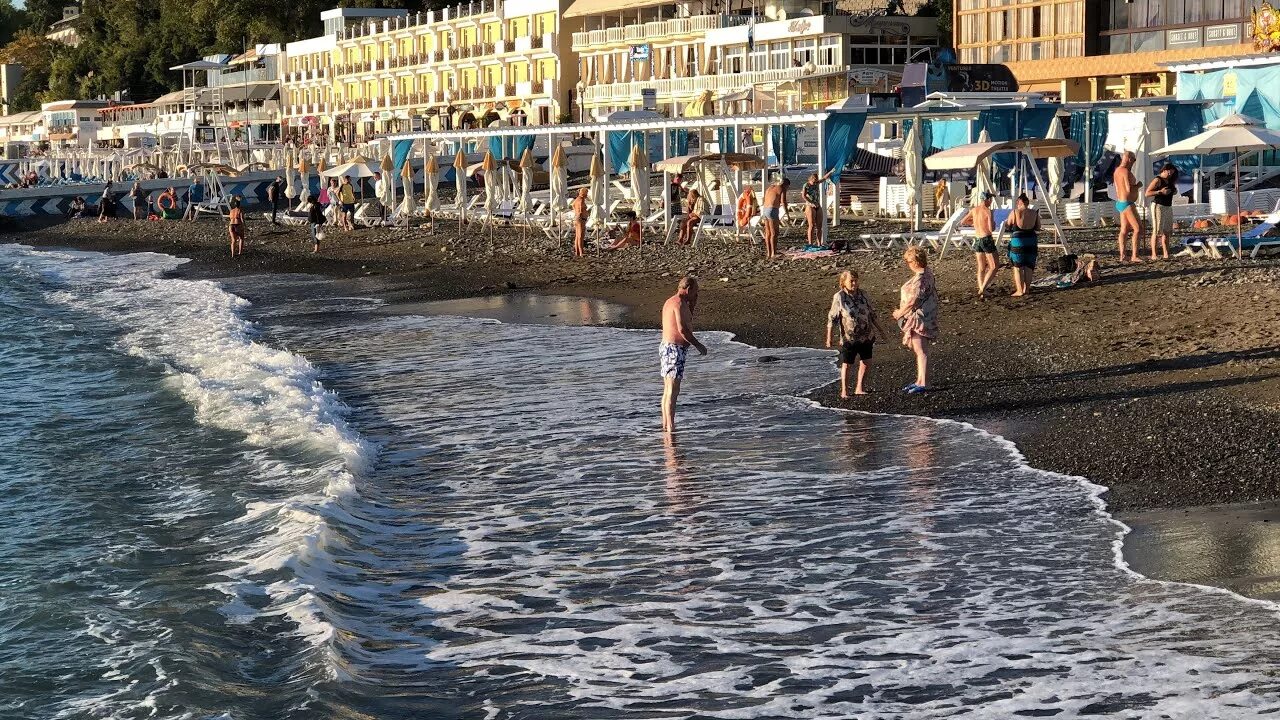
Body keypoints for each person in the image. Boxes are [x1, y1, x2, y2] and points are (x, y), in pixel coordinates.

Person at [825, 269, 887, 398]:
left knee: (866, 361)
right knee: (847, 364)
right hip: (849, 337)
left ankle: (859, 387)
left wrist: (881, 331)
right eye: (851, 281)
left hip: (866, 335)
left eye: (856, 280)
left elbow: (872, 314)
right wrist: (829, 337)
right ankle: (845, 391)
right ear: (843, 282)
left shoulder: (863, 295)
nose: (854, 283)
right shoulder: (840, 296)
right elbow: (832, 317)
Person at [660, 276, 708, 434]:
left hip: (668, 347)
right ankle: (671, 427)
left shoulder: (671, 301)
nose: (696, 294)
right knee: (672, 390)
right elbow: (682, 329)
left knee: (668, 389)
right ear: (688, 290)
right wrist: (698, 345)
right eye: (696, 291)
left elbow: (687, 320)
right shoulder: (678, 303)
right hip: (674, 349)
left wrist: (692, 303)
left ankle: (666, 424)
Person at [892, 246, 939, 394]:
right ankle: (920, 380)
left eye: (909, 261)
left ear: (916, 261)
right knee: (919, 350)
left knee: (921, 351)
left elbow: (913, 301)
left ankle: (924, 382)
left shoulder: (921, 279)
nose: (908, 264)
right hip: (924, 315)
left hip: (919, 318)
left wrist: (899, 313)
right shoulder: (927, 273)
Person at [1003, 193, 1040, 297]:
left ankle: (1019, 291)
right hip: (1031, 240)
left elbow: (1008, 224)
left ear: (1019, 202)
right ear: (1028, 203)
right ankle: (1026, 289)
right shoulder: (1034, 213)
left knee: (1018, 266)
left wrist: (1007, 222)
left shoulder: (1015, 212)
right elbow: (1038, 227)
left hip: (1018, 241)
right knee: (1029, 266)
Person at [963, 191, 998, 297]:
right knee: (994, 266)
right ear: (987, 200)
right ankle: (983, 289)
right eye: (990, 199)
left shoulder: (974, 210)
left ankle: (982, 288)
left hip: (977, 239)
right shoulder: (988, 211)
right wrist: (994, 224)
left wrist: (974, 223)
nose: (991, 201)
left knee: (981, 267)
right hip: (986, 239)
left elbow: (963, 222)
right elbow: (991, 229)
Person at [1113, 150, 1144, 263]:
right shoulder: (1125, 171)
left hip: (1120, 202)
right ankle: (1134, 255)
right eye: (1134, 160)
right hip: (1127, 203)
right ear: (1129, 159)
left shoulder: (1117, 171)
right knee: (1138, 229)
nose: (1134, 162)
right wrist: (1138, 186)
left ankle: (1122, 255)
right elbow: (1128, 189)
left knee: (1124, 230)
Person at [1145, 163, 1177, 260]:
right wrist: (1160, 192)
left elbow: (1173, 190)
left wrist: (1173, 191)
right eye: (1169, 172)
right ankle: (1154, 254)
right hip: (1158, 205)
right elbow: (1147, 193)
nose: (1170, 174)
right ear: (1164, 170)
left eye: (1172, 173)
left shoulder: (1170, 181)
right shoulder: (1157, 180)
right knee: (1157, 230)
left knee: (1167, 230)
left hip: (1168, 206)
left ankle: (1166, 253)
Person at [804, 170, 834, 248]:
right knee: (811, 225)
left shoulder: (817, 183)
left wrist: (830, 172)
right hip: (810, 206)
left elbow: (824, 178)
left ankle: (819, 243)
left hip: (818, 205)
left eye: (816, 181)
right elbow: (803, 196)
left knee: (819, 226)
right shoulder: (806, 185)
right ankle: (810, 243)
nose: (815, 183)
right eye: (813, 181)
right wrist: (811, 202)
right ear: (810, 180)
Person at [761, 177, 790, 259]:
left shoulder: (770, 188)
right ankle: (774, 253)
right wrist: (787, 214)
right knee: (774, 233)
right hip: (772, 209)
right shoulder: (782, 188)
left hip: (765, 209)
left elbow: (765, 200)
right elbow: (783, 202)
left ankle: (769, 253)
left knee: (768, 233)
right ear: (786, 185)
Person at [572, 187, 588, 257]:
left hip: (576, 218)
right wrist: (584, 212)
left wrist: (576, 212)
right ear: (584, 193)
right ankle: (581, 252)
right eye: (586, 193)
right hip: (581, 219)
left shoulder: (576, 200)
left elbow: (573, 205)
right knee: (581, 236)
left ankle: (577, 252)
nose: (587, 195)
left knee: (577, 236)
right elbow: (581, 209)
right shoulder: (581, 200)